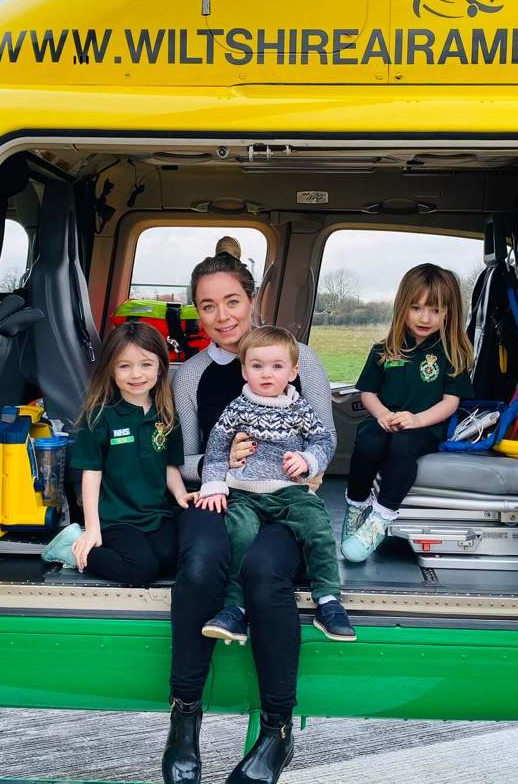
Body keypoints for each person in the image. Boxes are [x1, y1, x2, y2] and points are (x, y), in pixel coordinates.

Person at [164, 246, 335, 784]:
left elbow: (323, 449)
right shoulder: (190, 376)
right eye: (207, 307)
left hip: (285, 497)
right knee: (200, 563)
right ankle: (185, 714)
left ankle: (276, 730)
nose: (223, 317)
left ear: (253, 300)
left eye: (232, 301)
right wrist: (224, 461)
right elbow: (187, 460)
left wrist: (297, 467)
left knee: (265, 571)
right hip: (221, 494)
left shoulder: (300, 360)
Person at [196, 326, 354, 645]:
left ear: (293, 372)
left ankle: (328, 601)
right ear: (244, 370)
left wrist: (308, 461)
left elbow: (323, 440)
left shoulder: (299, 408)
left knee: (318, 528)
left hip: (291, 491)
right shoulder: (237, 409)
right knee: (239, 536)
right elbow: (215, 447)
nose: (267, 374)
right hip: (245, 492)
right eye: (257, 366)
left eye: (277, 366)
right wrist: (213, 484)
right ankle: (235, 609)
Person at [341, 263, 475, 563]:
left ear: (448, 313)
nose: (425, 318)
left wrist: (417, 420)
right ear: (403, 307)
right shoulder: (384, 350)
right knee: (368, 442)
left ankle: (381, 517)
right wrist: (382, 415)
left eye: (435, 310)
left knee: (404, 446)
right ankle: (358, 507)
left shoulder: (451, 354)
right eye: (416, 308)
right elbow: (368, 393)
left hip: (425, 426)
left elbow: (450, 402)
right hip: (385, 420)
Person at [48, 322, 193, 583]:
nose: (136, 374)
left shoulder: (167, 416)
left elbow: (169, 466)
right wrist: (93, 528)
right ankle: (72, 547)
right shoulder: (101, 416)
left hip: (155, 515)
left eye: (146, 364)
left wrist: (181, 495)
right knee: (141, 570)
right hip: (116, 520)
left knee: (176, 562)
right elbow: (91, 475)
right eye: (124, 366)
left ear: (161, 367)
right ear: (111, 370)